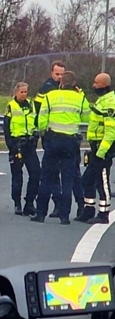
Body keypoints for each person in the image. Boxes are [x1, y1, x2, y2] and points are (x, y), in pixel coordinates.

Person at [30, 70, 90, 224]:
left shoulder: (51, 96)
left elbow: (42, 118)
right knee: (68, 179)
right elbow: (86, 116)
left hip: (53, 139)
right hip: (70, 142)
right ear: (74, 84)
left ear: (61, 83)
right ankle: (64, 217)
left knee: (47, 178)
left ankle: (41, 214)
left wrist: (43, 132)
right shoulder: (79, 98)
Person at [77, 72, 115, 224]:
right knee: (87, 180)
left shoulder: (110, 102)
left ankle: (104, 214)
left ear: (104, 85)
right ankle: (89, 209)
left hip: (103, 147)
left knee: (102, 181)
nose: (93, 85)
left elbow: (111, 131)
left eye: (96, 83)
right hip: (96, 146)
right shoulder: (102, 100)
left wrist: (101, 153)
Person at [4, 82, 40, 216]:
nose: (24, 94)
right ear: (16, 92)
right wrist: (11, 146)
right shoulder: (11, 106)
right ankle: (17, 203)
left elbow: (35, 122)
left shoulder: (31, 105)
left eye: (26, 92)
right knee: (17, 176)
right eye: (22, 92)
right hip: (16, 144)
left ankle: (29, 203)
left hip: (29, 145)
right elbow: (6, 128)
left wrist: (35, 136)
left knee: (36, 173)